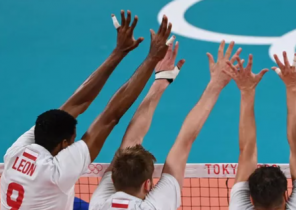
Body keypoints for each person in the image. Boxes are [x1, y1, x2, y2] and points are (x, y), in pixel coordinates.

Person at [0, 10, 171, 210]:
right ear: (63, 144)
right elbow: (110, 117)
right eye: (73, 139)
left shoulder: (16, 153)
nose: (75, 141)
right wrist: (151, 59)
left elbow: (74, 105)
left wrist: (119, 52)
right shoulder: (56, 172)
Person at [88, 40, 240, 210]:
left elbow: (135, 140)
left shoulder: (98, 204)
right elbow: (184, 140)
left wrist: (160, 82)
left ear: (113, 179)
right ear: (147, 184)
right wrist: (216, 84)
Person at [227, 52, 296, 210]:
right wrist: (293, 87)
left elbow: (247, 152)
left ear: (251, 198)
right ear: (285, 195)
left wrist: (246, 91)